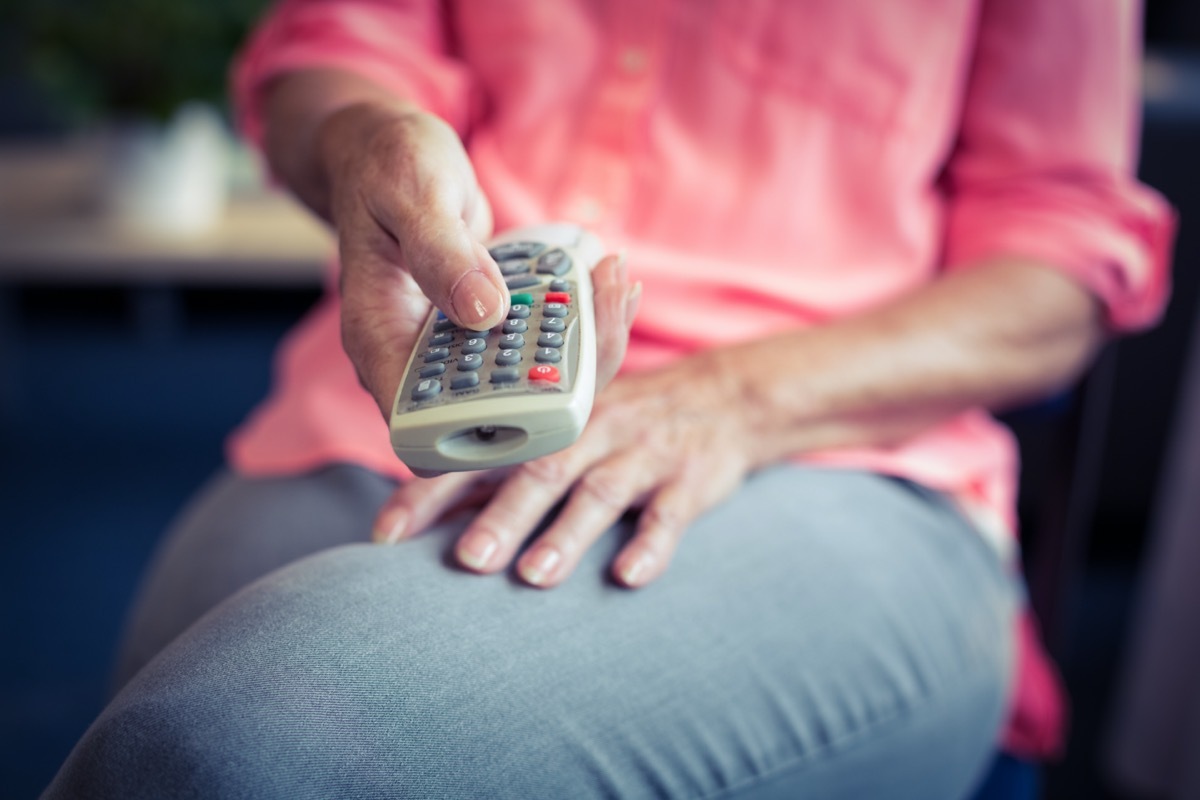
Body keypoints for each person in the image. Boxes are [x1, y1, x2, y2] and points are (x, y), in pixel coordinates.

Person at [44, 1, 1172, 798]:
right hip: (403, 389)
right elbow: (336, 46)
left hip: (828, 445)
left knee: (230, 749)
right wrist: (366, 140)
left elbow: (1058, 270)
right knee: (159, 700)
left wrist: (731, 397)